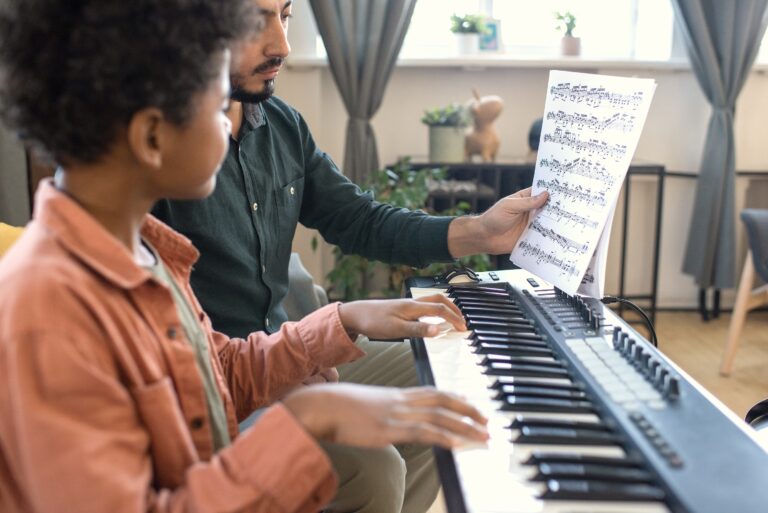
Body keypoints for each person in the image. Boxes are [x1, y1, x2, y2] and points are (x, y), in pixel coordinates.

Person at [0, 1, 490, 512]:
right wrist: (303, 423)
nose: (232, 125)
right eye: (217, 109)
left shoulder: (144, 258)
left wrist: (338, 323)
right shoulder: (48, 315)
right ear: (151, 137)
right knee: (374, 466)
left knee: (437, 397)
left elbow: (218, 372)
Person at [152, 1, 548, 511]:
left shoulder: (282, 126)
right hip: (228, 387)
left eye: (286, 15)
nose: (282, 45)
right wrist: (312, 353)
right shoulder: (156, 171)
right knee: (376, 466)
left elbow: (358, 219)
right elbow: (197, 371)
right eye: (256, 20)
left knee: (446, 387)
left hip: (272, 356)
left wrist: (477, 232)